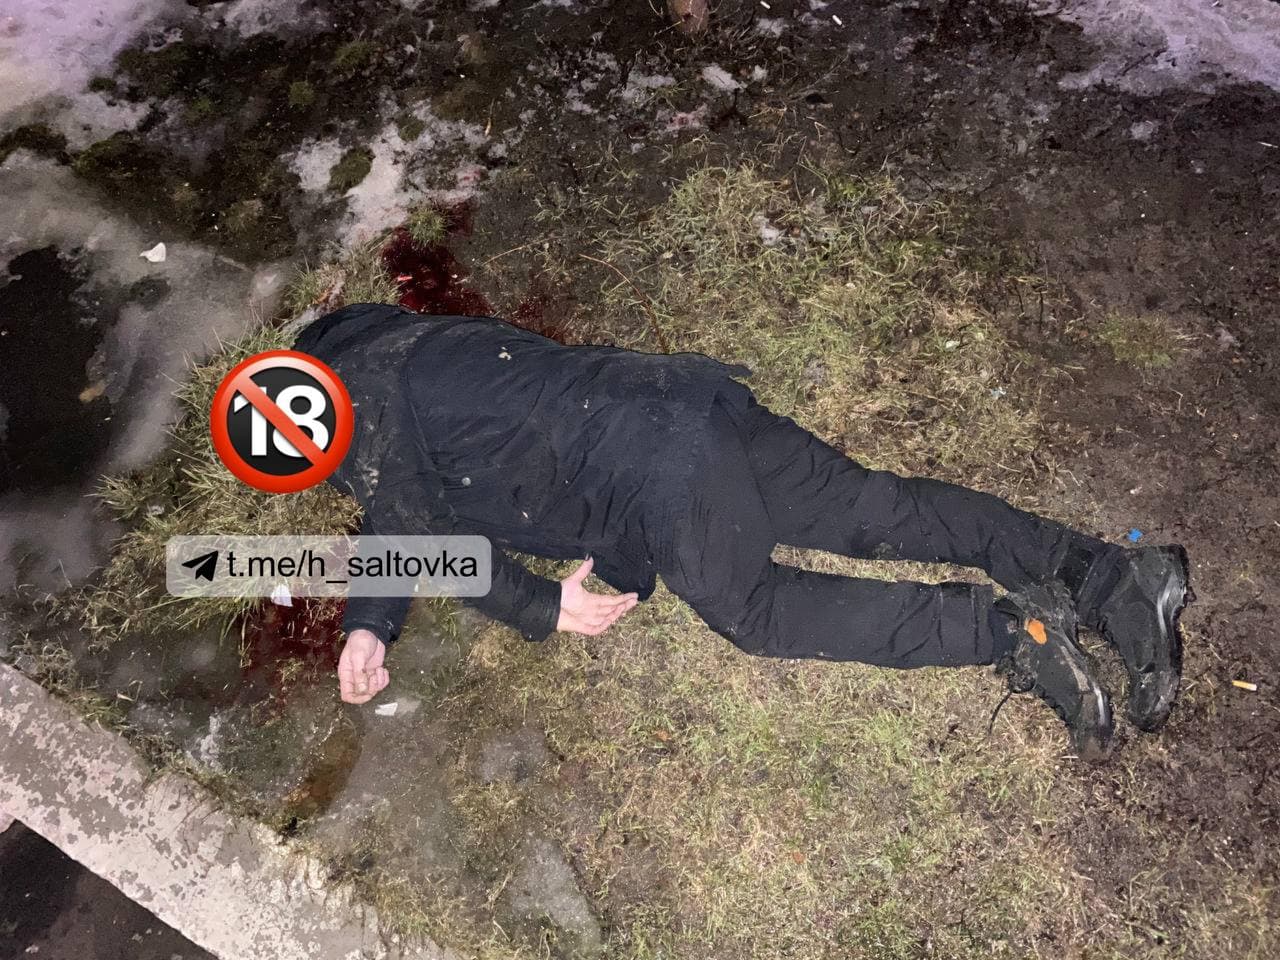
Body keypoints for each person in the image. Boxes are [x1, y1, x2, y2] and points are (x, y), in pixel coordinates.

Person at [294, 303, 1192, 758]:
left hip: (656, 472)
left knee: (754, 610)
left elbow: (418, 531)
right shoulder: (400, 356)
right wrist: (369, 623)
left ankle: (1008, 634)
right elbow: (397, 511)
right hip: (689, 406)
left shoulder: (363, 418)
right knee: (870, 509)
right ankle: (1108, 575)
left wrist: (541, 606)